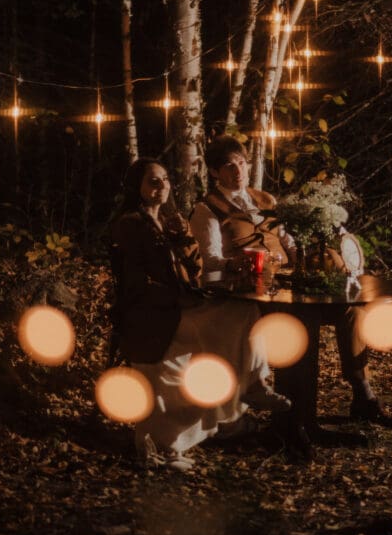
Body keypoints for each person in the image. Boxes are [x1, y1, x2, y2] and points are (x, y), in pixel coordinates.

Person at [190, 136, 392, 452]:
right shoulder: (207, 209)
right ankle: (293, 423)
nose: (238, 171)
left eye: (242, 163)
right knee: (303, 320)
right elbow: (208, 261)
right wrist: (238, 262)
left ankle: (362, 394)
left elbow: (288, 240)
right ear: (214, 172)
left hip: (286, 284)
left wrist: (304, 256)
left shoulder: (265, 200)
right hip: (249, 293)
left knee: (351, 310)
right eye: (229, 165)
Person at [111, 157, 289, 472]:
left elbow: (194, 268)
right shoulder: (132, 223)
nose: (161, 186)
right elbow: (137, 282)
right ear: (135, 187)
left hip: (176, 304)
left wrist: (182, 238)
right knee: (227, 324)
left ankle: (253, 382)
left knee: (244, 309)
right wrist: (177, 299)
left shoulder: (165, 219)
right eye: (153, 181)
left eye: (165, 179)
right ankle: (167, 444)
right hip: (151, 314)